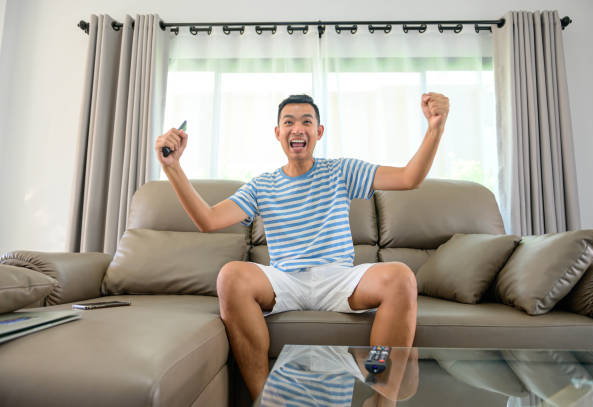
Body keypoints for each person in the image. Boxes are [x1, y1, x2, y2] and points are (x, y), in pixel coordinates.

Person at [155, 92, 449, 401]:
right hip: (286, 280)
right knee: (230, 275)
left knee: (401, 276)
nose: (298, 129)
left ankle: (382, 395)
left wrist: (435, 128)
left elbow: (409, 177)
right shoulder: (261, 185)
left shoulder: (340, 171)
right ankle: (265, 399)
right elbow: (208, 220)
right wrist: (172, 167)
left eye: (307, 122)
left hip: (338, 278)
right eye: (289, 122)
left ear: (319, 132)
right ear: (277, 133)